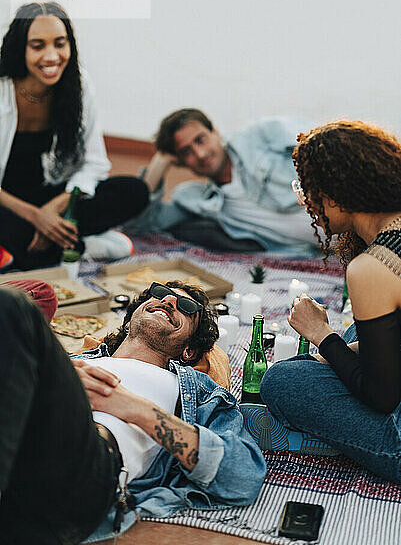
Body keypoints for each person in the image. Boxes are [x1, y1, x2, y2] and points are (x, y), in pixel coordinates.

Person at [0, 280, 266, 544]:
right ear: (128, 322)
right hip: (21, 452)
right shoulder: (74, 362)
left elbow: (242, 477)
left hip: (85, 473)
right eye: (159, 293)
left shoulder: (199, 391)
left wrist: (130, 406)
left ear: (189, 350)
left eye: (186, 307)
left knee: (15, 307)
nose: (169, 301)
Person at [260, 120, 401, 482]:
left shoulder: (374, 267)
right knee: (359, 330)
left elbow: (381, 397)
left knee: (282, 381)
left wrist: (321, 334)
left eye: (308, 191)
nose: (306, 203)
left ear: (337, 195)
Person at [0, 2, 149, 270]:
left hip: (54, 194)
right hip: (8, 202)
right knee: (30, 248)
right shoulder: (2, 88)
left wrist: (54, 210)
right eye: (38, 45)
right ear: (20, 47)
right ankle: (84, 245)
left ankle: (58, 241)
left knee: (135, 191)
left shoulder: (78, 84)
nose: (52, 56)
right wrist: (37, 217)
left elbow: (95, 163)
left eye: (60, 43)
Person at [135, 108, 320, 253]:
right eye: (186, 152)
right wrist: (161, 160)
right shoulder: (196, 199)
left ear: (215, 132)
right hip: (324, 253)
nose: (200, 154)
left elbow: (330, 142)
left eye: (200, 140)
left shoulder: (258, 136)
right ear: (180, 161)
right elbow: (141, 225)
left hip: (347, 218)